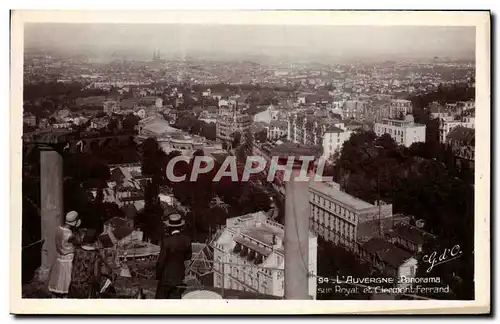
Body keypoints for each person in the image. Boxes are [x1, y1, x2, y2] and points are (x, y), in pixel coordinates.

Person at [155, 212, 192, 299]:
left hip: (166, 278)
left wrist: (158, 275)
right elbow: (188, 258)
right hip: (179, 277)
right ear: (181, 226)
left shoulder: (166, 241)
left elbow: (161, 261)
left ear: (169, 227)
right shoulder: (186, 240)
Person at [68, 229, 111, 298]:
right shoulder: (95, 255)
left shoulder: (77, 251)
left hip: (74, 284)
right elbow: (96, 274)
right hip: (87, 287)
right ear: (95, 241)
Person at [48, 211, 81, 297]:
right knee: (66, 279)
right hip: (68, 257)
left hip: (59, 256)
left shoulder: (58, 229)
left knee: (58, 278)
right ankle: (65, 295)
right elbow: (78, 242)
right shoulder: (70, 234)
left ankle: (56, 293)